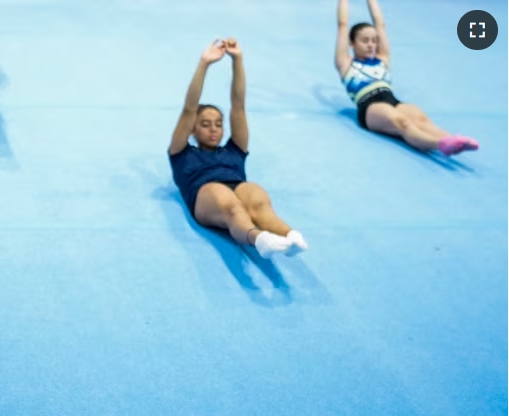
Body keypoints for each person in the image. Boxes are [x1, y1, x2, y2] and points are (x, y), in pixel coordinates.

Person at [168, 39, 308, 259]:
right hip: (206, 195)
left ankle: (290, 235)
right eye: (205, 125)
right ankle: (258, 239)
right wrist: (205, 63)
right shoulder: (182, 155)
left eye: (218, 124)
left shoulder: (234, 151)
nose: (213, 129)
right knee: (232, 206)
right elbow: (188, 109)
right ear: (192, 130)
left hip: (237, 187)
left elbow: (238, 106)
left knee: (257, 198)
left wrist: (238, 60)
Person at [335, 0, 477, 155]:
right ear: (351, 43)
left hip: (393, 100)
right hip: (370, 107)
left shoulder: (383, 59)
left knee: (421, 120)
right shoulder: (346, 64)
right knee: (403, 123)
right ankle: (440, 144)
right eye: (364, 40)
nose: (371, 45)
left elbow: (380, 24)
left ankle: (454, 140)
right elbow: (343, 24)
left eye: (374, 40)